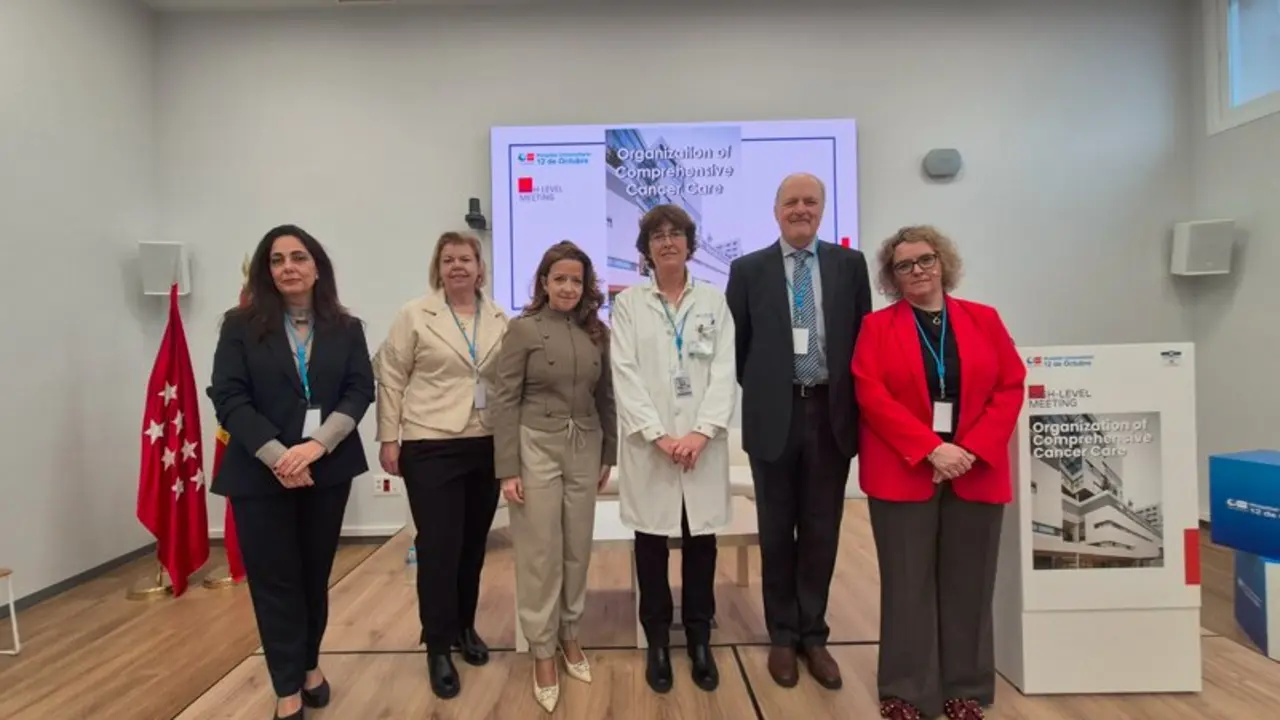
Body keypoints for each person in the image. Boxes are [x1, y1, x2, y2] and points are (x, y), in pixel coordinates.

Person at [851, 226, 1025, 720]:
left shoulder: (983, 319)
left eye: (924, 260)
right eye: (904, 266)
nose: (917, 271)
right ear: (893, 277)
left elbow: (1010, 386)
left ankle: (965, 688)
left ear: (942, 262)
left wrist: (968, 450)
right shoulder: (876, 328)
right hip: (905, 471)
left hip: (975, 468)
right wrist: (931, 449)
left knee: (970, 583)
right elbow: (871, 394)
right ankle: (904, 691)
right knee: (908, 584)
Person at [208, 224, 374, 720]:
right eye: (277, 260)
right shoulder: (239, 325)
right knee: (275, 581)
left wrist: (315, 448)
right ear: (267, 271)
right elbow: (228, 397)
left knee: (312, 575)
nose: (288, 267)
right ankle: (286, 687)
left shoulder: (347, 328)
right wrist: (279, 455)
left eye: (298, 257)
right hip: (260, 475)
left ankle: (308, 665)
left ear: (316, 267)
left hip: (326, 469)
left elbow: (359, 391)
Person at [724, 172, 872, 690]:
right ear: (776, 210)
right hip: (775, 415)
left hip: (831, 415)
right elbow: (738, 350)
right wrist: (771, 390)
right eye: (792, 201)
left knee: (822, 532)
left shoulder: (849, 266)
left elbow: (863, 340)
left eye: (811, 201)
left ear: (823, 208)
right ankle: (782, 637)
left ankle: (815, 635)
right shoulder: (747, 270)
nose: (801, 209)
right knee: (775, 533)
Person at [372, 231, 508, 700]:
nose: (457, 267)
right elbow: (390, 377)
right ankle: (436, 646)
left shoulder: (499, 317)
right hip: (431, 443)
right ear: (438, 267)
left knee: (473, 546)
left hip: (485, 443)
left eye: (466, 259)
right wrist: (389, 437)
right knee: (438, 548)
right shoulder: (415, 315)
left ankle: (464, 628)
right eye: (448, 260)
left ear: (479, 267)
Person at [611, 204, 737, 694]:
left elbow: (724, 372)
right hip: (653, 448)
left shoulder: (713, 301)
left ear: (690, 243)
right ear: (646, 249)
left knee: (701, 544)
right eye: (657, 236)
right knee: (651, 546)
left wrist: (702, 432)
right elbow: (625, 373)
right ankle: (658, 640)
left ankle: (701, 638)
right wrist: (659, 435)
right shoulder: (628, 305)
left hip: (701, 448)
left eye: (676, 234)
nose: (667, 242)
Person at [489, 240, 617, 713]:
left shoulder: (597, 332)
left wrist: (610, 451)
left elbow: (606, 396)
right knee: (541, 551)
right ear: (544, 282)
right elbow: (504, 400)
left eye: (576, 280)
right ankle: (542, 650)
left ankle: (570, 634)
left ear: (585, 287)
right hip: (534, 446)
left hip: (585, 446)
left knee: (577, 548)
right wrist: (507, 469)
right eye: (559, 278)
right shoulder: (522, 330)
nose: (567, 287)